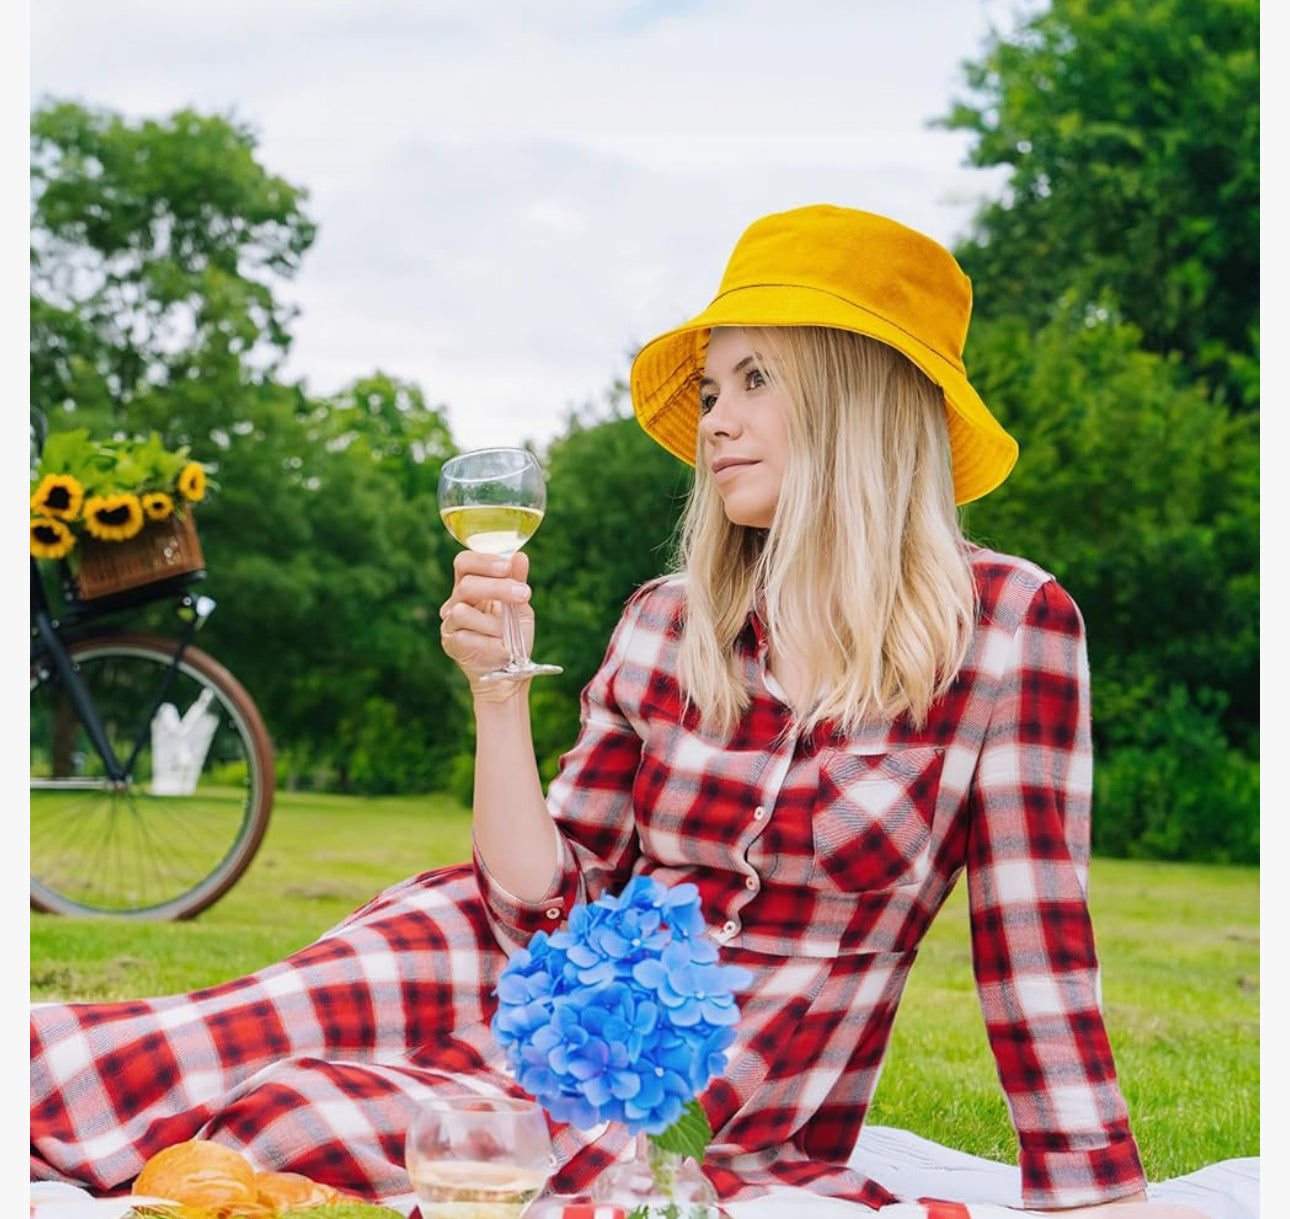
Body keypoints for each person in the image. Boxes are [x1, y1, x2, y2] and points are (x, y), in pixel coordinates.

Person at [31, 205, 1206, 1217]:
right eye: (710, 388)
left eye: (755, 380)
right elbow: (537, 888)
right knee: (143, 1052)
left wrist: (1093, 1189)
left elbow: (1034, 952)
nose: (716, 421)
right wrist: (499, 692)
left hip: (695, 1093)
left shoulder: (1008, 627)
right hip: (496, 957)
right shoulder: (667, 616)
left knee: (289, 1125)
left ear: (860, 402)